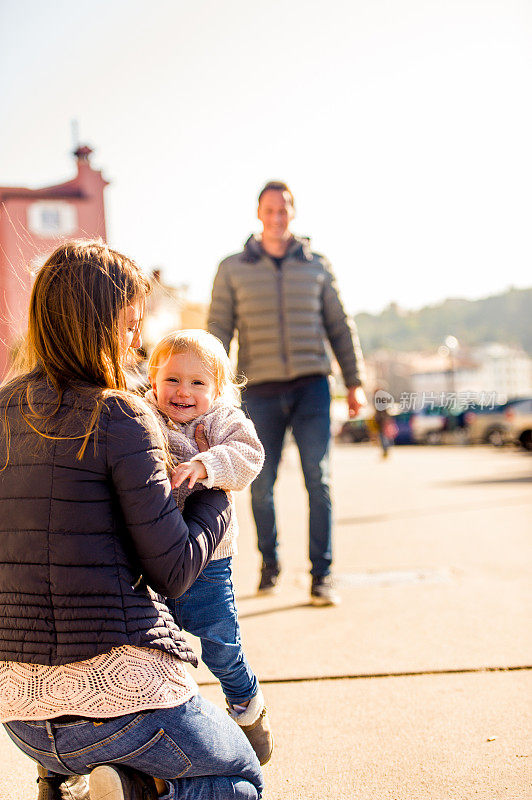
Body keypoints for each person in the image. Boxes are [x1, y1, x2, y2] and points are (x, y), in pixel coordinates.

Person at [0, 241, 263, 800]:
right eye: (127, 327)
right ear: (96, 325)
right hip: (125, 704)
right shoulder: (122, 414)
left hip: (19, 714)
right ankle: (140, 790)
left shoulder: (2, 409)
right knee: (240, 778)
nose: (135, 341)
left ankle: (70, 784)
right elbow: (173, 570)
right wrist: (213, 483)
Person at [208, 181, 366, 606]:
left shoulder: (317, 265)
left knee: (319, 477)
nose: (277, 217)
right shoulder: (232, 268)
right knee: (260, 483)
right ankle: (270, 565)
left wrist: (354, 383)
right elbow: (218, 332)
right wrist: (209, 387)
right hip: (258, 388)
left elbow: (339, 326)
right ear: (259, 213)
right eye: (270, 210)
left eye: (284, 210)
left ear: (293, 213)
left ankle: (322, 576)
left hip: (312, 385)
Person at [144, 329, 273, 765]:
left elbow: (247, 455)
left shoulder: (221, 420)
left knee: (219, 643)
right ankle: (174, 719)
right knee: (157, 645)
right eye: (172, 379)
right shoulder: (143, 414)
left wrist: (205, 463)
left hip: (208, 559)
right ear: (153, 379)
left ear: (217, 388)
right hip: (155, 552)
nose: (183, 392)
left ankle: (246, 706)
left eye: (198, 382)